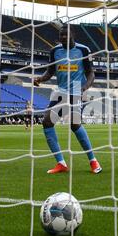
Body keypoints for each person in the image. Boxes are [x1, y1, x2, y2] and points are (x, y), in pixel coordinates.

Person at [34, 25, 102, 174]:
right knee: (47, 121)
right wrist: (41, 79)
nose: (63, 37)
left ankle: (93, 161)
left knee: (74, 124)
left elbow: (91, 73)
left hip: (77, 89)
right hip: (60, 90)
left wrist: (85, 87)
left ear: (73, 35)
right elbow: (50, 71)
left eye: (66, 35)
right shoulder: (55, 51)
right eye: (61, 35)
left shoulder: (83, 50)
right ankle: (61, 163)